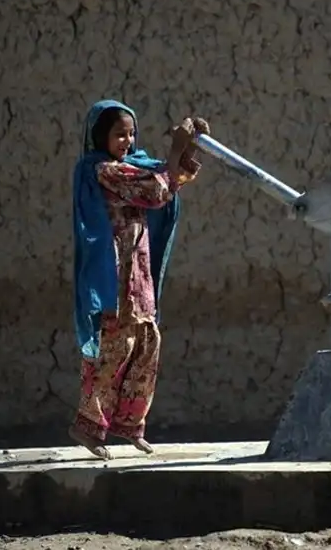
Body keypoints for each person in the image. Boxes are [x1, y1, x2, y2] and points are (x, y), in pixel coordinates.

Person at [70, 99, 208, 460]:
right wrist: (177, 149)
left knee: (147, 342)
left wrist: (189, 148)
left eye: (131, 134)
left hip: (138, 273)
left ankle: (131, 424)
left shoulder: (132, 166)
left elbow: (171, 178)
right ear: (101, 136)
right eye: (120, 134)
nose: (127, 141)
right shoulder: (103, 170)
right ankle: (89, 425)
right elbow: (156, 191)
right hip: (113, 276)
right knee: (116, 347)